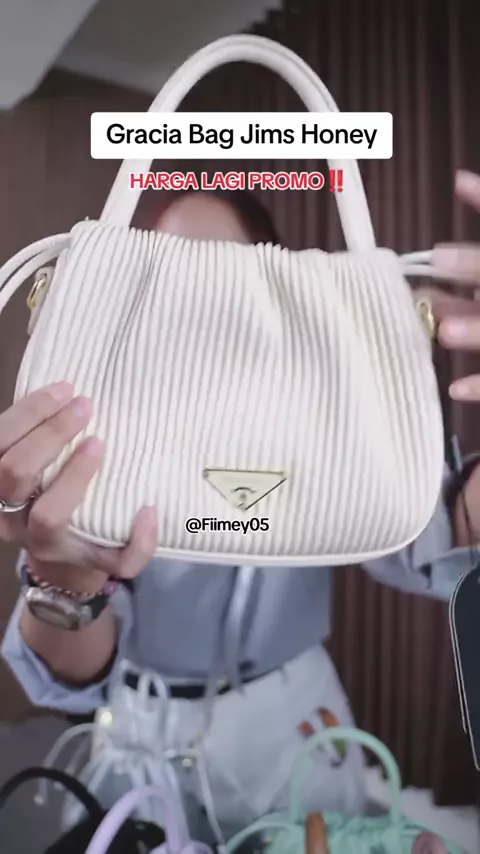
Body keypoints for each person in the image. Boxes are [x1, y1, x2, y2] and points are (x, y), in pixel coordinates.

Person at [2, 169, 480, 837]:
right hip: (142, 726)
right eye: (176, 280)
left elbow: (431, 538)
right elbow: (64, 678)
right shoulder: (98, 434)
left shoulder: (329, 414)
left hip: (293, 723)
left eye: (225, 278)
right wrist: (64, 574)